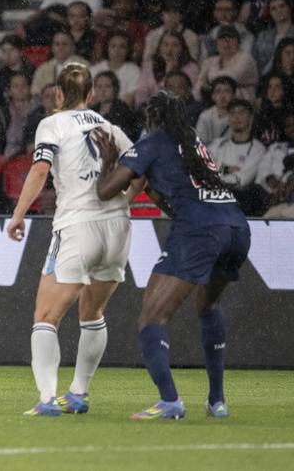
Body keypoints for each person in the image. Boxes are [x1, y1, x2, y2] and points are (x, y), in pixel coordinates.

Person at [94, 91, 250, 419]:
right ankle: (217, 401)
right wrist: (153, 188)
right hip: (235, 225)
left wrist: (108, 161)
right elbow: (175, 196)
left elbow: (106, 191)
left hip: (200, 229)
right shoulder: (194, 143)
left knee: (152, 317)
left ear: (151, 118)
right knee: (207, 305)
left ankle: (170, 401)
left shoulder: (151, 144)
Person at [7, 64, 136, 416]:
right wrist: (123, 203)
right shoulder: (110, 128)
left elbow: (39, 169)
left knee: (46, 316)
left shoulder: (52, 123)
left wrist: (18, 215)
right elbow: (140, 173)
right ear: (92, 95)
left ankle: (48, 400)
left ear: (58, 95)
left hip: (78, 226)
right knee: (92, 312)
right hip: (117, 227)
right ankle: (78, 392)